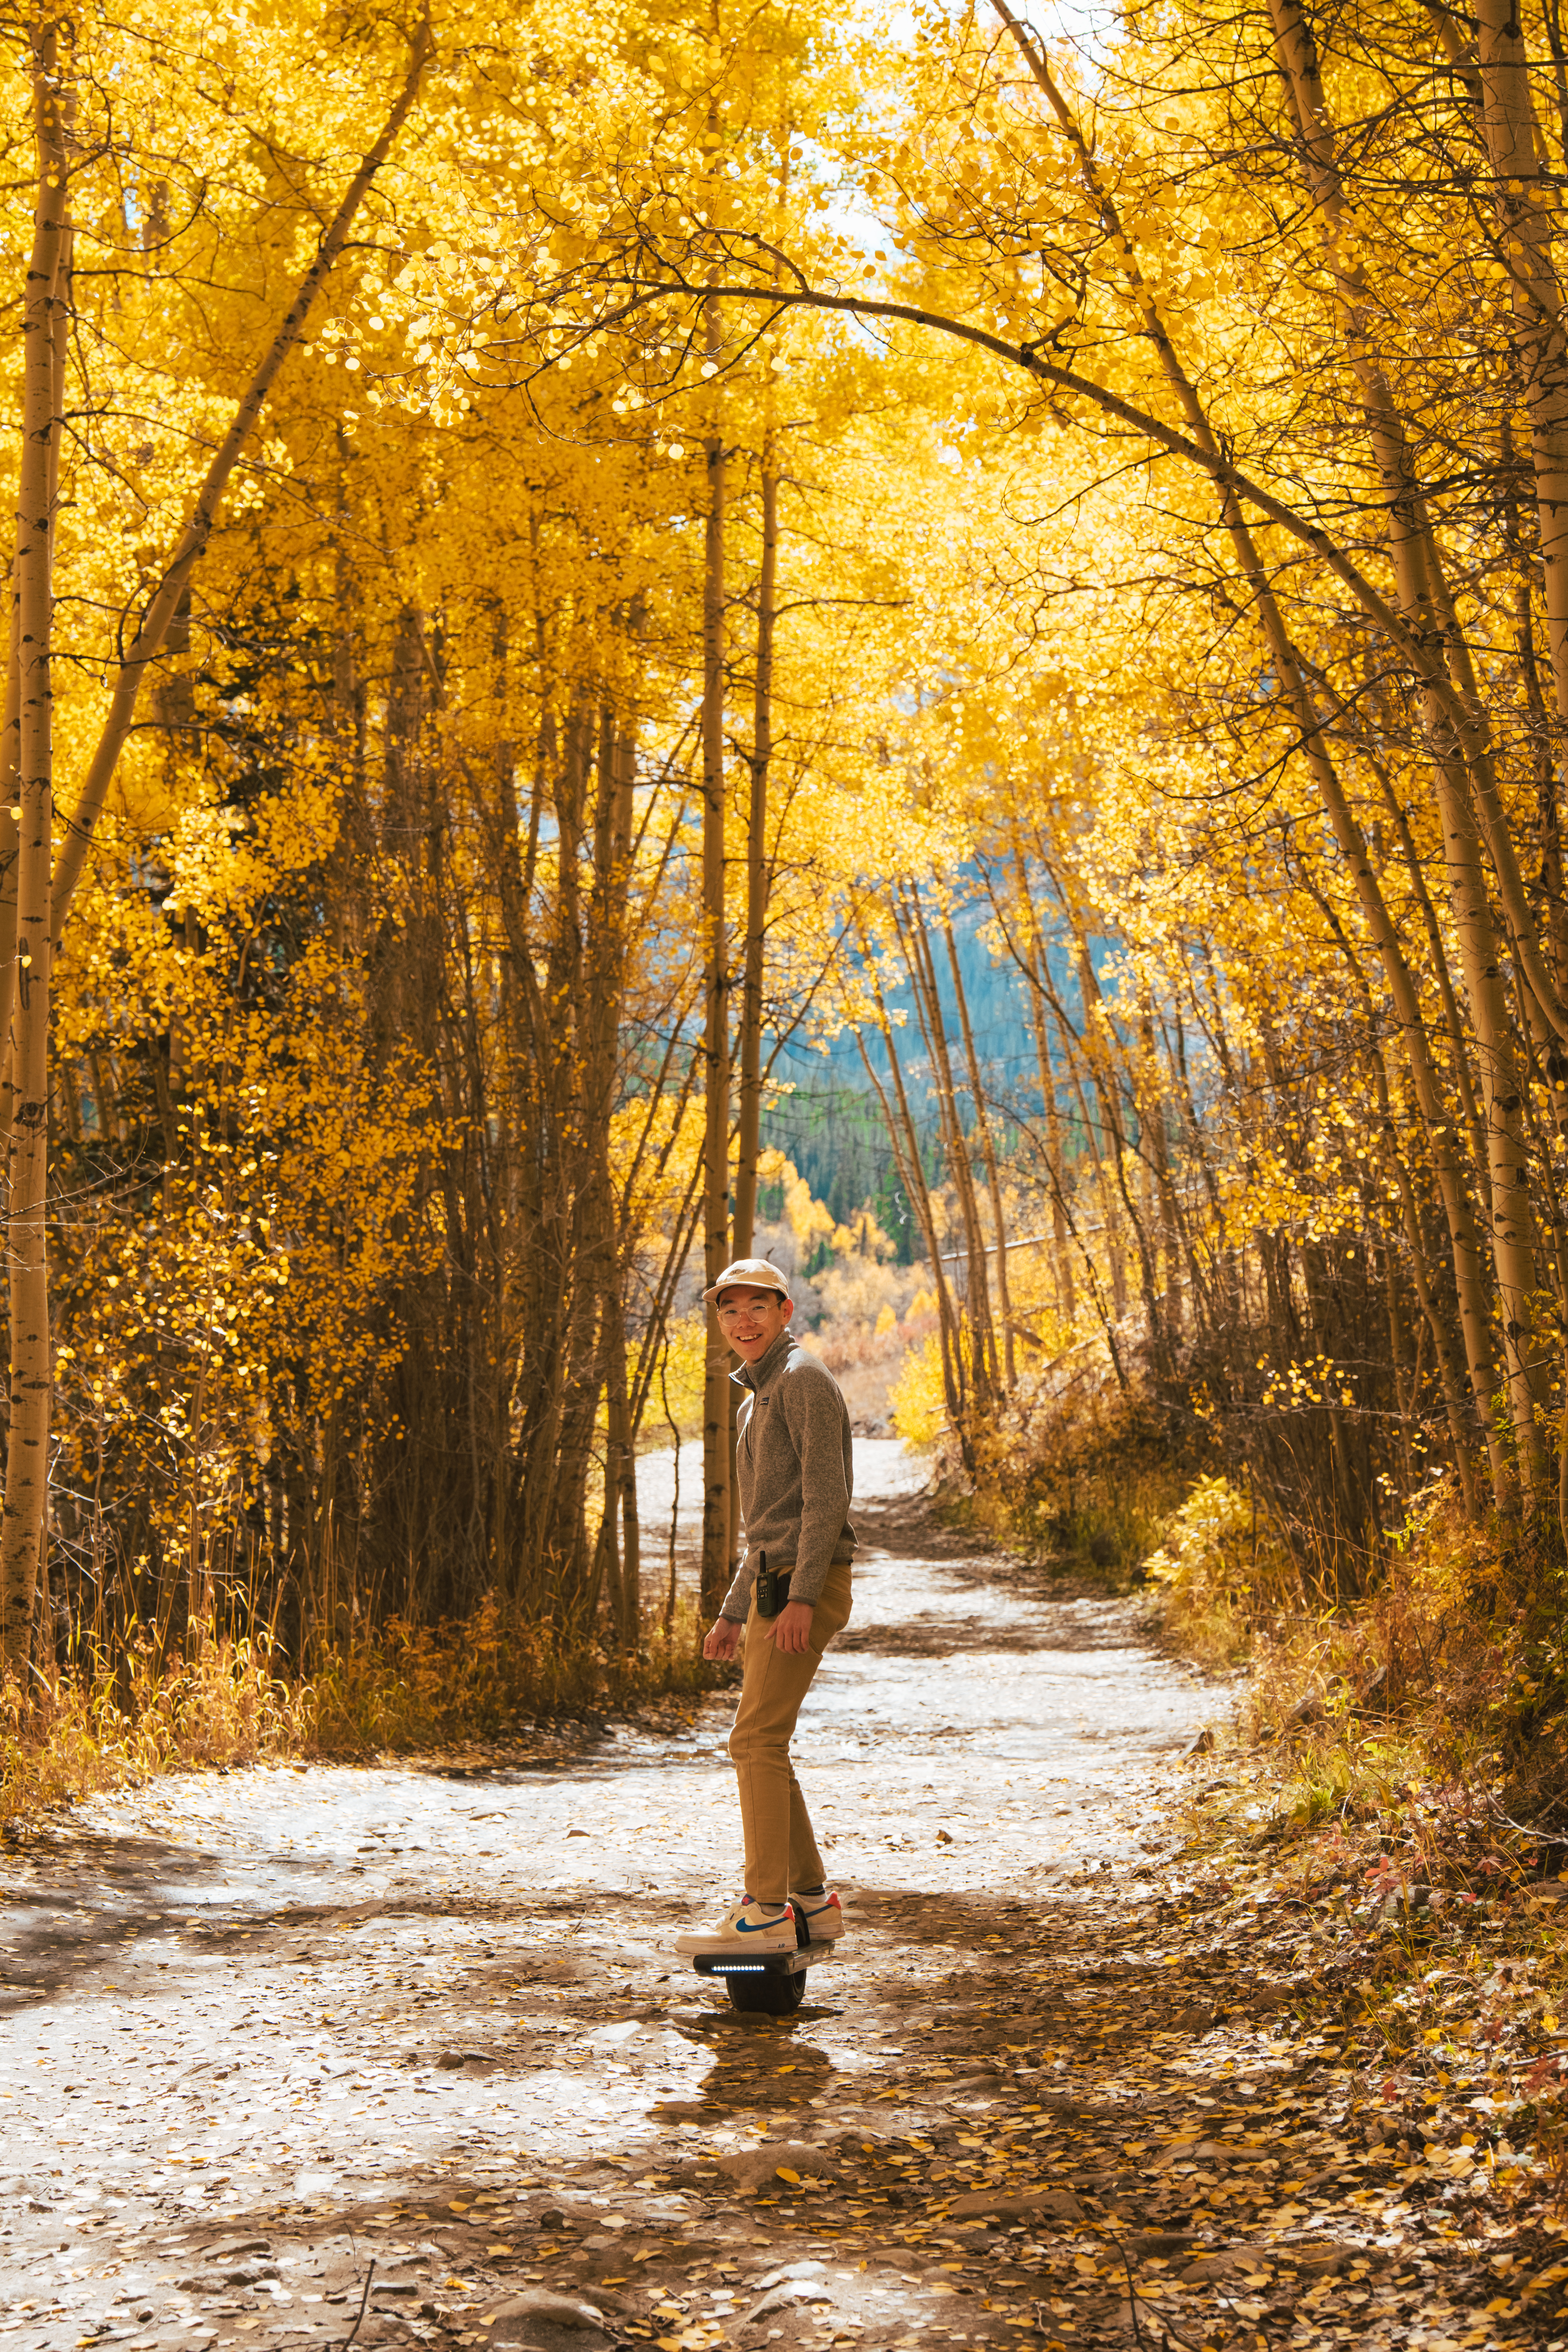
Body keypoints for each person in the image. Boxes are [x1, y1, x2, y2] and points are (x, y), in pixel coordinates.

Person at [675, 1257, 856, 1957]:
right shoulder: (759, 1397)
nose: (741, 1320)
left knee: (753, 1743)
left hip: (802, 1586)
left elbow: (826, 1500)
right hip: (774, 1583)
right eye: (728, 1309)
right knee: (767, 1744)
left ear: (786, 1312)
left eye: (757, 1306)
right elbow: (768, 1526)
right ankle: (812, 1900)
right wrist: (730, 1612)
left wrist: (804, 1597)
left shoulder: (804, 1379)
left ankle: (767, 1907)